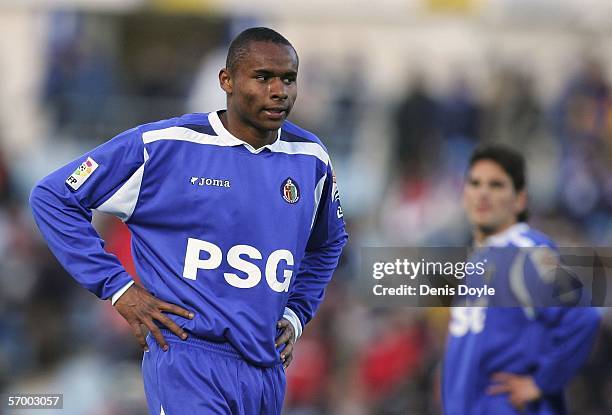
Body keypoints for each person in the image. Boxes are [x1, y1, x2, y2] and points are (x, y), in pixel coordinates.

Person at [29, 27, 348, 415]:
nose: (278, 90)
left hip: (265, 367)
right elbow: (54, 196)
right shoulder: (164, 147)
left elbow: (329, 241)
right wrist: (119, 289)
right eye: (263, 77)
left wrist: (297, 314)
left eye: (288, 79)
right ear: (226, 81)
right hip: (188, 359)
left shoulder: (311, 158)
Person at [442, 145, 600, 415]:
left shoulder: (529, 252)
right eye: (475, 183)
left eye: (496, 185)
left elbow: (584, 315)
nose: (483, 192)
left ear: (520, 200)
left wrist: (540, 382)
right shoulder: (479, 261)